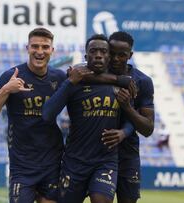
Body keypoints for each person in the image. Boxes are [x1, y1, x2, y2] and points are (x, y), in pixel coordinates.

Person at [42, 34, 133, 203]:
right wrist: (69, 83)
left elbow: (131, 119)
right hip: (74, 161)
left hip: (105, 161)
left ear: (109, 56)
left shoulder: (121, 84)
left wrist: (123, 132)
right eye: (93, 51)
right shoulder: (74, 82)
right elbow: (47, 115)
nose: (98, 55)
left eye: (103, 51)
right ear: (86, 56)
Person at [0, 27, 66, 203]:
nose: (40, 52)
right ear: (27, 48)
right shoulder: (10, 76)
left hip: (52, 161)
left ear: (52, 50)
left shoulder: (60, 78)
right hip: (22, 164)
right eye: (35, 46)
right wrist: (6, 90)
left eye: (45, 47)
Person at [97, 31, 155, 203]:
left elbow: (148, 129)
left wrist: (127, 107)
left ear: (130, 55)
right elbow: (76, 73)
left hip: (127, 154)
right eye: (111, 53)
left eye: (121, 55)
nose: (115, 59)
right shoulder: (94, 74)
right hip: (95, 151)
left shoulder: (142, 81)